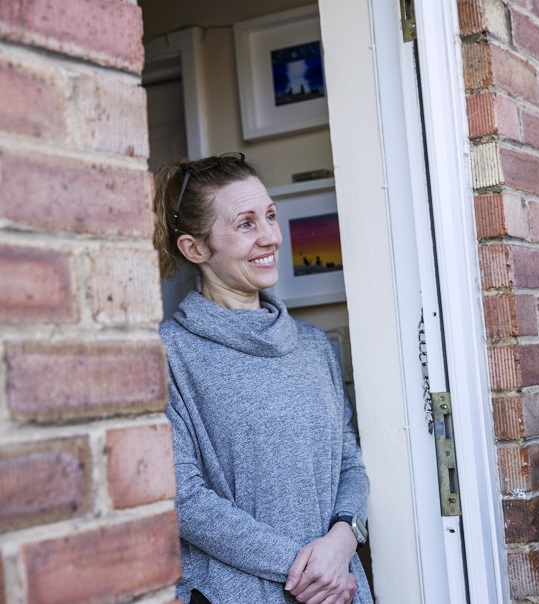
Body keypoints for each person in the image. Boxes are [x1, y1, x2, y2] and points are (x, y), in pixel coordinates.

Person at [151, 152, 372, 604]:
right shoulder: (168, 354)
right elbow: (184, 499)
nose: (271, 236)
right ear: (195, 249)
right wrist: (309, 569)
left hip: (338, 588)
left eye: (270, 216)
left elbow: (350, 465)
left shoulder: (312, 346)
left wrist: (342, 541)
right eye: (246, 224)